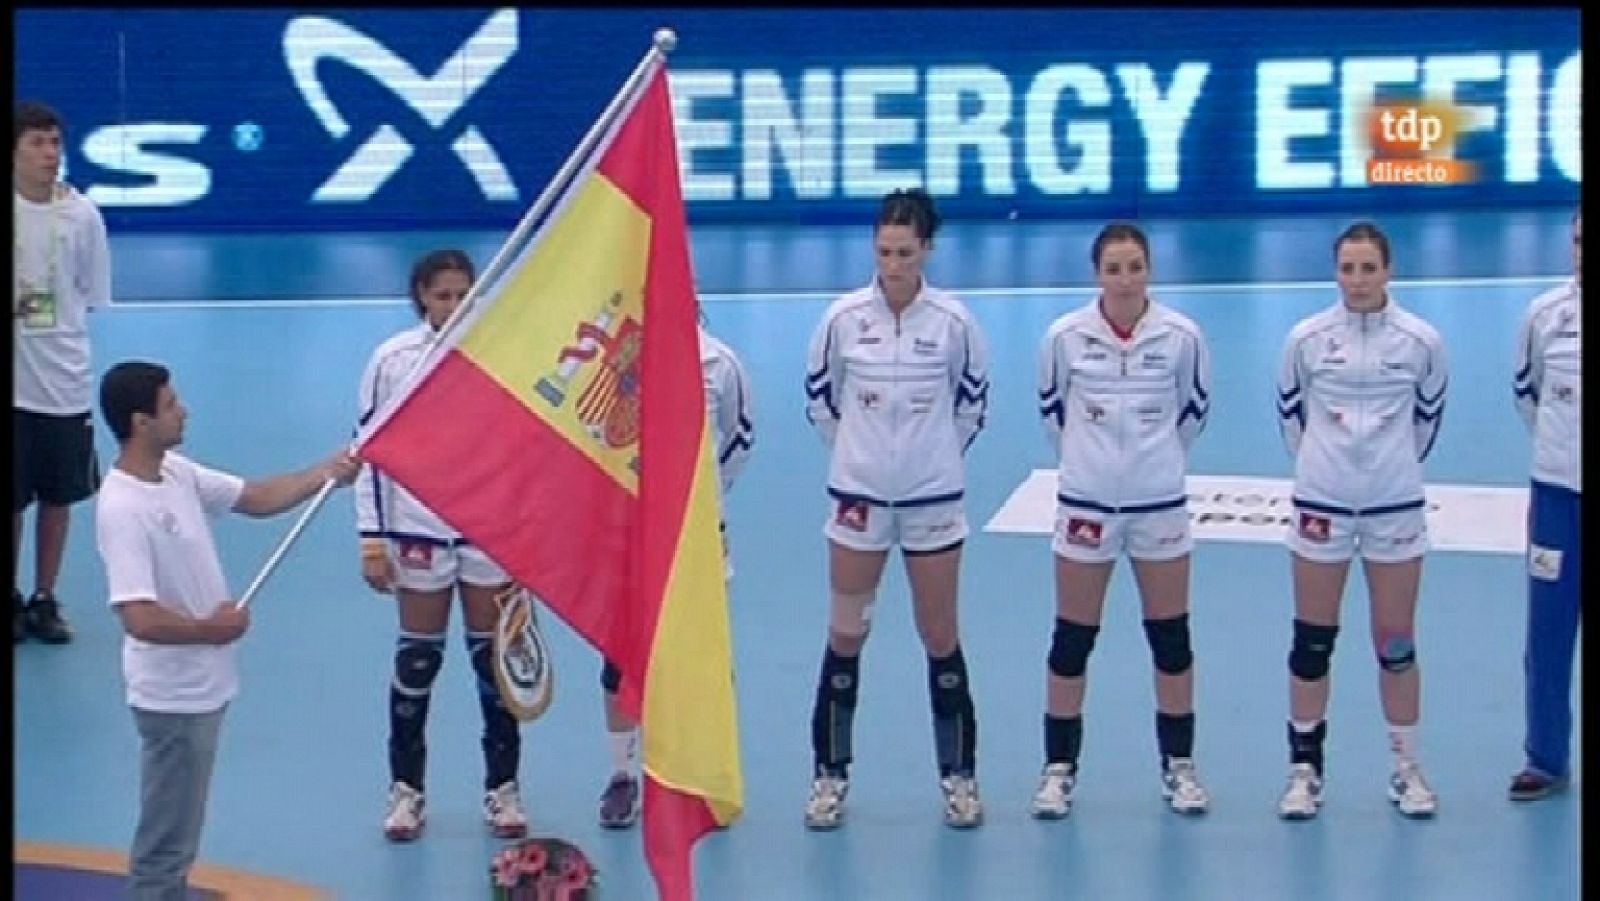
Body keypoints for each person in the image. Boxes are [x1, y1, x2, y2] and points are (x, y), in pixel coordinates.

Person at [94, 359, 359, 900]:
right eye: (171, 405)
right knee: (167, 841)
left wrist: (324, 473)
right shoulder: (121, 507)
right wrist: (207, 630)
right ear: (141, 423)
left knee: (180, 833)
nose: (183, 410)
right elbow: (138, 615)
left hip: (204, 686)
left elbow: (256, 498)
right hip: (172, 696)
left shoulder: (177, 473)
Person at [801, 187, 990, 830]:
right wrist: (864, 461)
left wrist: (926, 459)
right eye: (884, 251)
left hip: (933, 504)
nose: (893, 264)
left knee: (940, 636)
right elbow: (822, 401)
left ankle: (959, 778)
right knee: (846, 634)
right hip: (857, 506)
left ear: (927, 250)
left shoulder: (955, 323)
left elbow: (970, 406)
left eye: (905, 252)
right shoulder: (842, 319)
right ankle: (829, 776)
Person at [1030, 223, 1213, 819]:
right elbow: (1054, 413)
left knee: (1171, 639)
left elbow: (1192, 414)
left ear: (1149, 270)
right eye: (1115, 268)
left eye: (1135, 267)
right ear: (1097, 274)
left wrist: (1147, 469)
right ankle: (1058, 770)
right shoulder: (1065, 338)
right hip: (1085, 507)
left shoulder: (1182, 337)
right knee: (1071, 641)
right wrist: (1095, 471)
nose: (1126, 279)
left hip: (1158, 507)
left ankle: (1179, 767)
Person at [355, 249, 532, 841]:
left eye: (464, 295)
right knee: (418, 659)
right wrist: (372, 539)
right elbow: (368, 454)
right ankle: (407, 791)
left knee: (493, 662)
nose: (454, 307)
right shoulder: (392, 361)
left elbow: (524, 453)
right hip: (418, 530)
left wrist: (524, 534)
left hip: (487, 531)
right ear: (421, 298)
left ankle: (502, 789)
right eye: (442, 296)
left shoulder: (502, 351)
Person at [1274, 221, 1448, 820]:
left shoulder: (1422, 341)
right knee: (1312, 642)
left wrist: (1383, 471)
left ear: (1388, 270)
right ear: (1335, 273)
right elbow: (1292, 419)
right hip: (1321, 507)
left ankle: (1406, 768)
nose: (1357, 280)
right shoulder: (1306, 339)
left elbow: (1425, 424)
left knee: (1396, 644)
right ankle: (1304, 771)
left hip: (1394, 509)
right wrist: (1331, 473)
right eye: (1347, 269)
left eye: (1368, 268)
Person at [596, 321, 754, 828]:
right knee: (623, 655)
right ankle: (622, 777)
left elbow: (737, 440)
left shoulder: (719, 362)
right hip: (627, 530)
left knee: (703, 655)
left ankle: (705, 777)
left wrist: (700, 499)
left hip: (696, 532)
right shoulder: (617, 355)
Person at [14, 99, 112, 644]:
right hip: (13, 386)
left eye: (56, 142)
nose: (51, 154)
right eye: (37, 143)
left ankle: (44, 597)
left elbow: (90, 295)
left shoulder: (82, 215)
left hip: (64, 380)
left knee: (58, 499)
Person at [1508, 210, 1581, 802]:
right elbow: (1527, 394)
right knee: (1549, 632)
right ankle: (1546, 757)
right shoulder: (1544, 316)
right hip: (1557, 498)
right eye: (1578, 241)